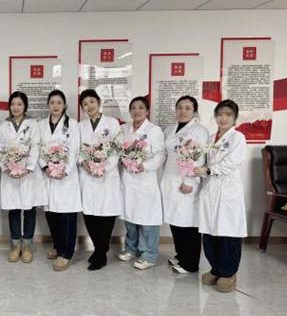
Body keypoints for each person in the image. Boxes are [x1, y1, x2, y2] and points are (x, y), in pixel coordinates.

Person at [194, 99, 247, 293]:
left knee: (227, 232)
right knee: (209, 232)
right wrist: (194, 167)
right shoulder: (210, 138)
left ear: (235, 118)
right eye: (220, 114)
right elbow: (204, 160)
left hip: (227, 191)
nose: (223, 118)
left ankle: (229, 273)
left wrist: (208, 170)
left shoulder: (238, 137)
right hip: (210, 190)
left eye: (228, 114)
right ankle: (215, 269)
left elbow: (232, 163)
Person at [0, 91, 46, 263]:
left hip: (28, 174)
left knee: (30, 210)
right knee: (14, 210)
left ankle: (27, 246)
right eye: (13, 104)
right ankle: (15, 245)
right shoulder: (3, 126)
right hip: (10, 174)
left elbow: (36, 147)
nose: (16, 107)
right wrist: (6, 168)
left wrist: (28, 168)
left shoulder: (33, 124)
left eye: (19, 104)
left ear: (25, 106)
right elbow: (0, 150)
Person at [161, 96, 209, 275]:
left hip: (186, 182)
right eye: (180, 107)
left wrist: (189, 181)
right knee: (175, 220)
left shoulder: (199, 130)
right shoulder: (169, 129)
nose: (183, 111)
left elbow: (199, 157)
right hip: (170, 179)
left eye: (188, 108)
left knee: (188, 222)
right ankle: (181, 254)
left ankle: (191, 263)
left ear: (194, 111)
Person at [117, 96, 165, 270]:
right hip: (128, 180)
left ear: (147, 111)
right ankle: (131, 248)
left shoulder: (154, 130)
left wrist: (145, 166)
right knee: (130, 217)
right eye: (133, 108)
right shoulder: (124, 129)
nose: (137, 111)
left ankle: (149, 255)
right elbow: (119, 151)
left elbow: (160, 155)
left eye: (141, 108)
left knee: (147, 219)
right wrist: (123, 160)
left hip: (145, 180)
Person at [78, 89, 122, 271]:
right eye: (85, 104)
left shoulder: (112, 123)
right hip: (87, 175)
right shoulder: (80, 126)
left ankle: (101, 253)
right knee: (89, 215)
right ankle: (98, 249)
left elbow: (117, 149)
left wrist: (103, 167)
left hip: (107, 175)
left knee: (106, 215)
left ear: (99, 102)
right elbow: (78, 150)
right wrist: (84, 163)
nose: (89, 106)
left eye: (92, 102)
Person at [37, 90, 82, 271]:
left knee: (67, 215)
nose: (55, 106)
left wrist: (65, 170)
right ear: (48, 105)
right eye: (52, 102)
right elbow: (38, 148)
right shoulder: (41, 125)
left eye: (59, 103)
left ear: (65, 105)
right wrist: (46, 167)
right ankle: (58, 246)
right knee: (52, 214)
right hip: (48, 175)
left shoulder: (73, 124)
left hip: (66, 177)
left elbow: (75, 150)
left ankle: (67, 253)